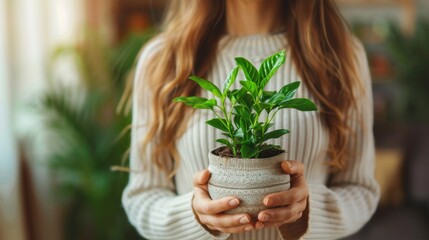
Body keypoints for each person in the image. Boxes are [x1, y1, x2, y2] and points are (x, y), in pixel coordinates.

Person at [122, 0, 380, 239]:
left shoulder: (340, 54)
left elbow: (360, 191)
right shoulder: (164, 58)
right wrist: (195, 215)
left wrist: (306, 210)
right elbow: (142, 198)